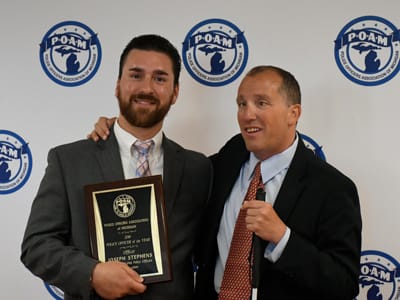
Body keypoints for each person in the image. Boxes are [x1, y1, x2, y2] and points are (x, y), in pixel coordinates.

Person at [88, 65, 362, 299]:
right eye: (241, 104)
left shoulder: (333, 188)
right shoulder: (227, 159)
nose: (247, 114)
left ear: (294, 113)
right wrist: (124, 134)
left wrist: (282, 238)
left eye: (261, 103)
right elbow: (170, 166)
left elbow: (344, 284)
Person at [21, 34, 212, 300]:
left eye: (159, 78)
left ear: (175, 92)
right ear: (117, 85)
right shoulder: (69, 161)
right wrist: (92, 273)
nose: (146, 87)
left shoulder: (199, 168)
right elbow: (36, 246)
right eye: (136, 75)